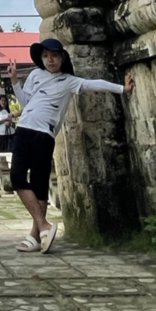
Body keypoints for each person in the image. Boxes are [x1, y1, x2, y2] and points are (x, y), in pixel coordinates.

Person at [10, 37, 134, 255]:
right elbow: (26, 102)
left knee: (39, 184)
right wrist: (14, 82)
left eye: (54, 56)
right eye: (46, 56)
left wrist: (122, 88)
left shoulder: (69, 81)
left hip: (44, 134)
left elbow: (94, 84)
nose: (50, 60)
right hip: (24, 128)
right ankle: (44, 226)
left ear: (62, 58)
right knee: (17, 177)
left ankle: (35, 236)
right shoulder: (35, 75)